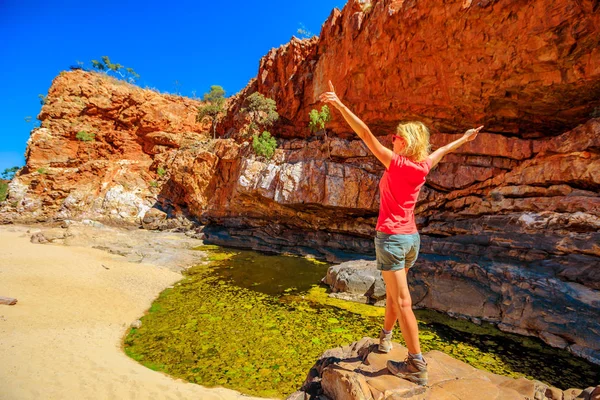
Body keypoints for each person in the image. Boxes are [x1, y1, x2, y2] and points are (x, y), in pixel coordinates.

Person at [319, 80, 483, 386]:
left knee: (403, 300)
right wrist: (464, 138)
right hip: (411, 240)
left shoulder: (395, 164)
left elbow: (364, 133)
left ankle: (416, 364)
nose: (391, 139)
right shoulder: (422, 166)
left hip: (392, 239)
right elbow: (443, 151)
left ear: (404, 142)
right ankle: (385, 339)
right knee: (395, 294)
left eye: (395, 136)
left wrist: (340, 105)